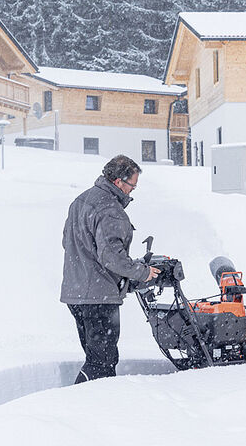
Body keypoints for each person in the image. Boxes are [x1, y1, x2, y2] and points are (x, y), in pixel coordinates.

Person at [61, 154, 161, 383]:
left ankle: (90, 406)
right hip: (98, 297)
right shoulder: (110, 209)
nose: (132, 191)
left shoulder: (81, 201)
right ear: (118, 182)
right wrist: (143, 272)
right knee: (102, 362)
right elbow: (111, 257)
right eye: (132, 186)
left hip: (75, 294)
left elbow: (67, 242)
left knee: (95, 357)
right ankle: (78, 403)